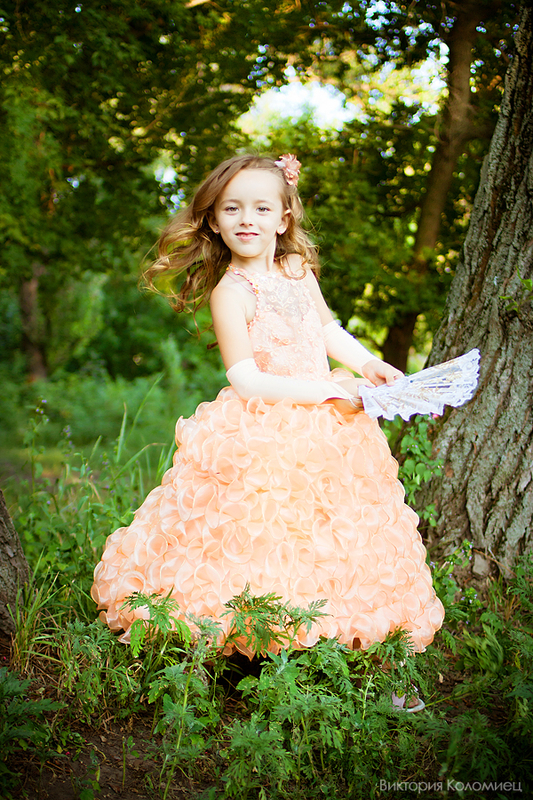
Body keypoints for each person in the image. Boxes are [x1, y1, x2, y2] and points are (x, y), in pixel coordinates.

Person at [91, 154, 444, 703]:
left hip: (328, 433)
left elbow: (328, 331)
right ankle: (259, 651)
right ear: (214, 221)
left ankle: (356, 649)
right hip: (263, 429)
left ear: (284, 218)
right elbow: (245, 377)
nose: (246, 219)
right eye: (232, 208)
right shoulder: (229, 293)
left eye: (261, 208)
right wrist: (327, 391)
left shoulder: (297, 270)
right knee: (261, 537)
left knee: (335, 535)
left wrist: (368, 363)